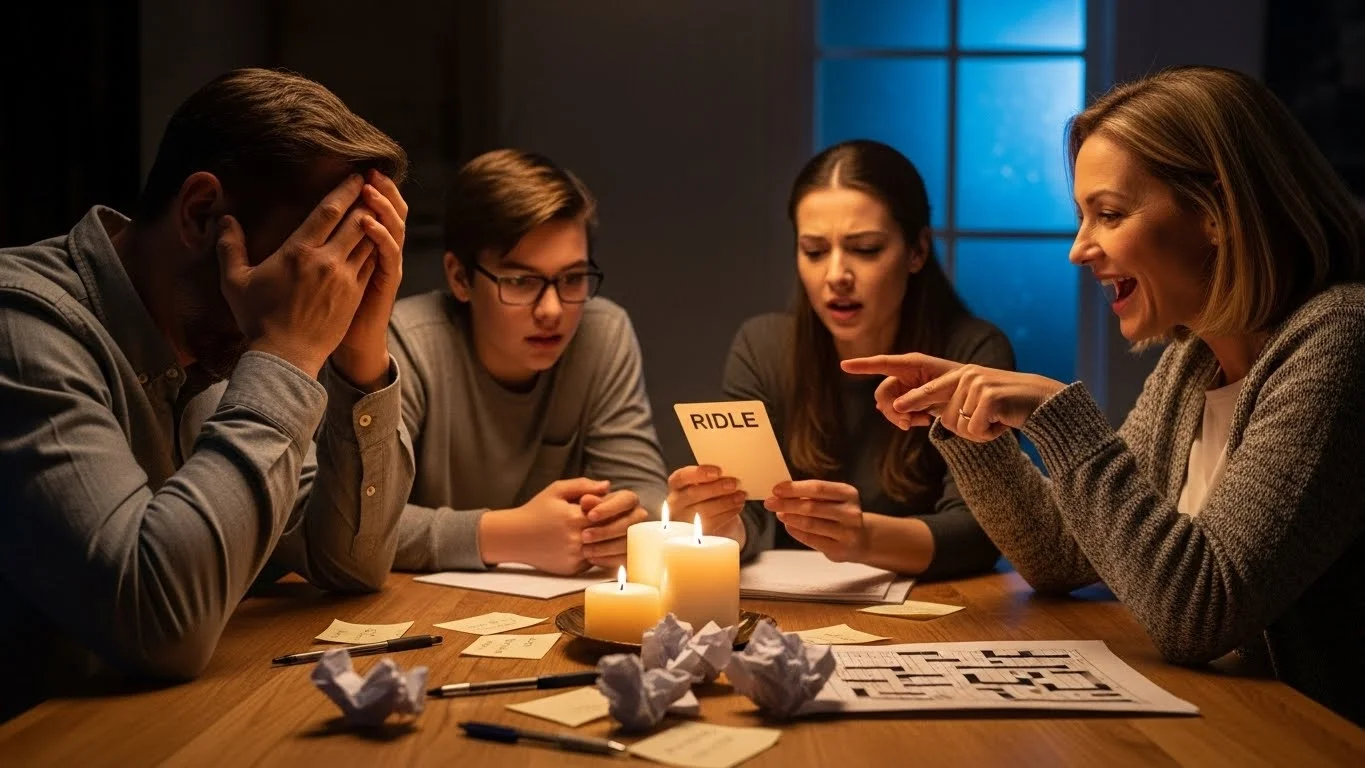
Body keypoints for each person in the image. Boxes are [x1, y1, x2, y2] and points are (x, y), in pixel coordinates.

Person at [845, 66, 1365, 724]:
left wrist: (1057, 418)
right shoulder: (1192, 362)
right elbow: (1063, 556)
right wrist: (977, 438)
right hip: (1227, 721)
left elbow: (1197, 614)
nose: (1077, 249)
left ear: (1216, 212)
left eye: (1108, 214)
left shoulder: (1341, 337)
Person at [0, 68, 416, 720]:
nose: (322, 289)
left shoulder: (217, 344)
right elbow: (158, 625)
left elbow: (349, 563)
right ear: (201, 213)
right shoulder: (22, 324)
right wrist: (286, 353)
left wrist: (360, 355)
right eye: (308, 258)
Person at [667, 140, 1012, 578]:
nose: (836, 276)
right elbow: (750, 518)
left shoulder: (973, 354)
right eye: (813, 251)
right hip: (798, 617)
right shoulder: (762, 347)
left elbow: (981, 535)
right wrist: (717, 523)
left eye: (865, 249)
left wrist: (863, 537)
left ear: (917, 251)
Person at [388, 149, 667, 576]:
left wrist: (616, 522)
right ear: (460, 278)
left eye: (573, 278)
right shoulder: (406, 342)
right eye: (520, 281)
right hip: (412, 609)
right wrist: (504, 535)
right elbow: (355, 530)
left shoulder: (601, 332)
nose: (553, 309)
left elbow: (644, 491)